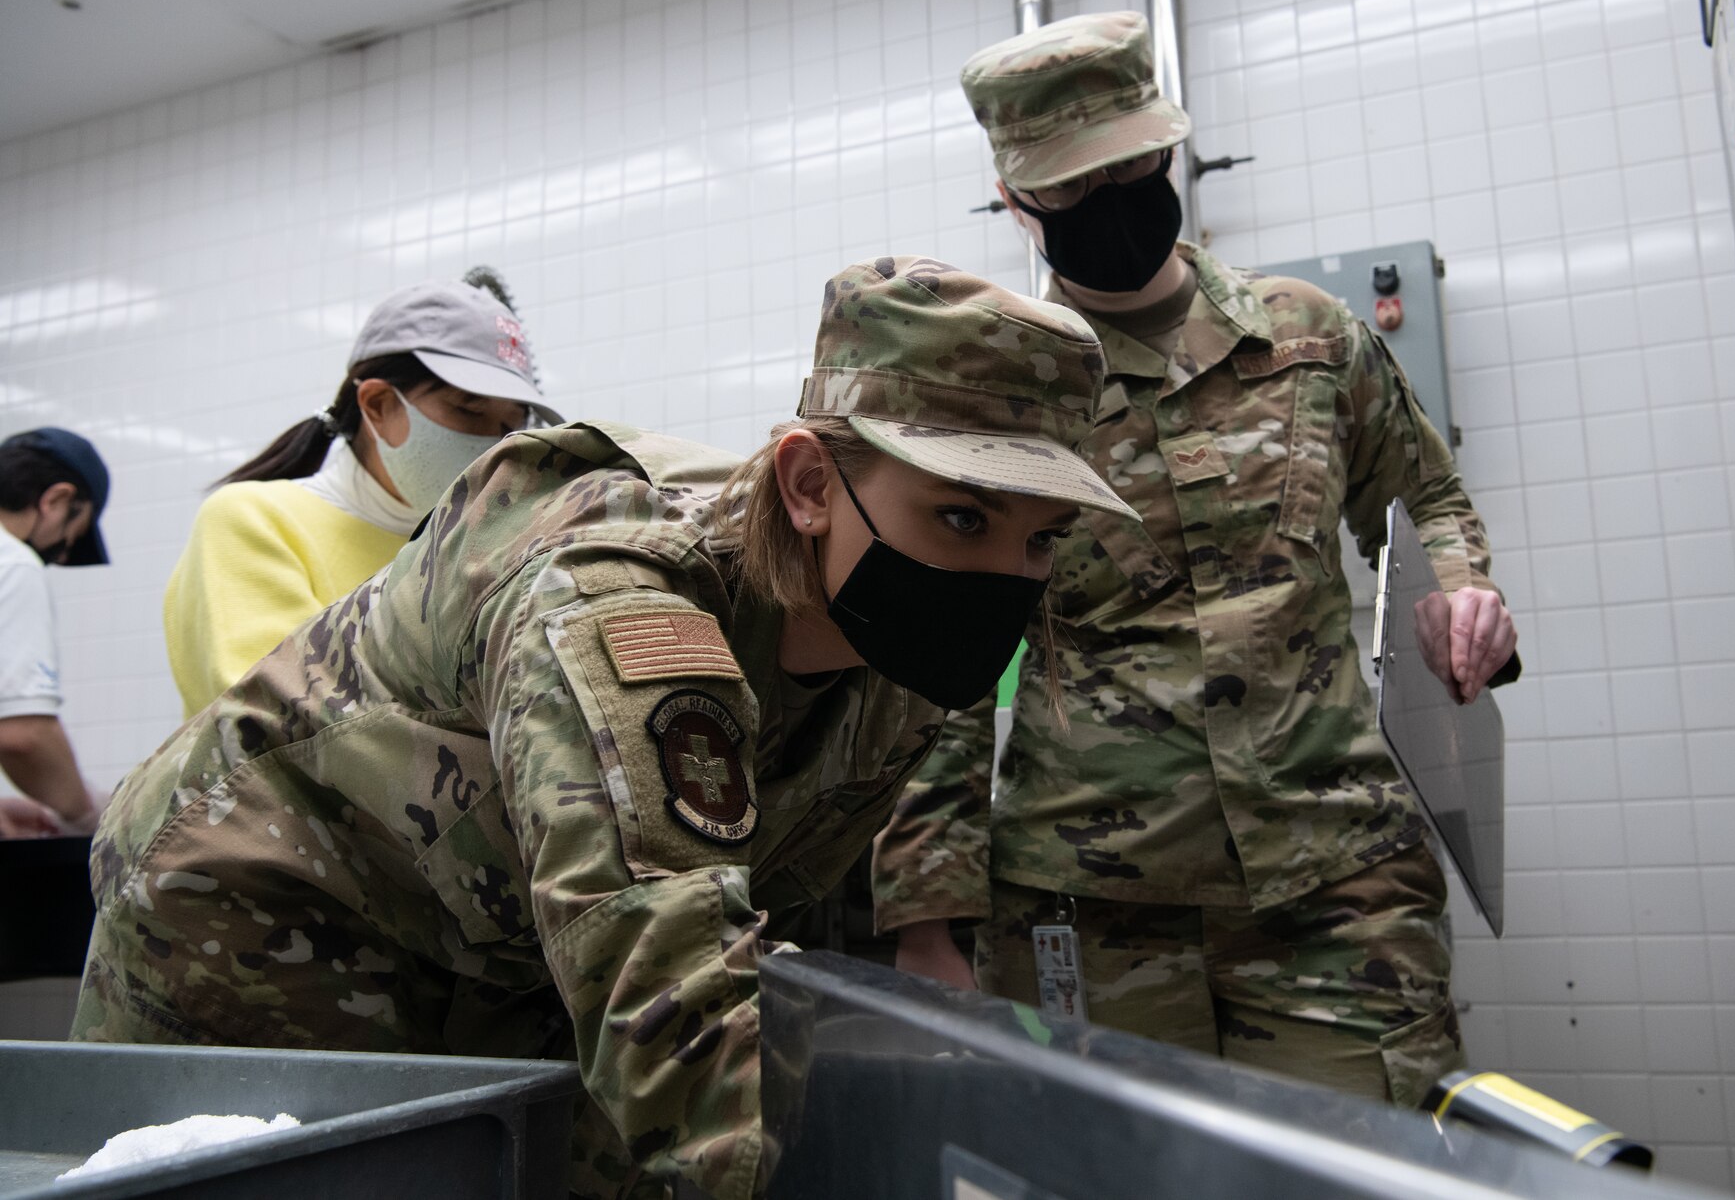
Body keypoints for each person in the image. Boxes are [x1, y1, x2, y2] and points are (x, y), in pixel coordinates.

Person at [74, 256, 1136, 1200]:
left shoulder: (888, 642)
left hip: (510, 944)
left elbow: (752, 933)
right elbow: (667, 1004)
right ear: (811, 484)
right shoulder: (621, 602)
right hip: (267, 913)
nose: (1003, 573)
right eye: (960, 516)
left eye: (1042, 538)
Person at [873, 12, 1522, 1107]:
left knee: (1354, 1176)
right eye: (1072, 190)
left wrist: (1461, 594)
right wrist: (921, 914)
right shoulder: (998, 400)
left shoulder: (1309, 338)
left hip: (1332, 879)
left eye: (1130, 168)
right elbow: (940, 665)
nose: (1111, 201)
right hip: (1089, 903)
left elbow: (1425, 496)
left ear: (1166, 152)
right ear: (1018, 205)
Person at [162, 271, 561, 716]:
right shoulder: (253, 520)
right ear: (378, 405)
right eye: (468, 410)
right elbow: (284, 725)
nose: (494, 443)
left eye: (511, 425)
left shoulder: (479, 551)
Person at [0, 427, 113, 837]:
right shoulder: (12, 561)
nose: (60, 554)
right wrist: (88, 819)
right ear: (57, 499)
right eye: (73, 535)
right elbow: (24, 737)